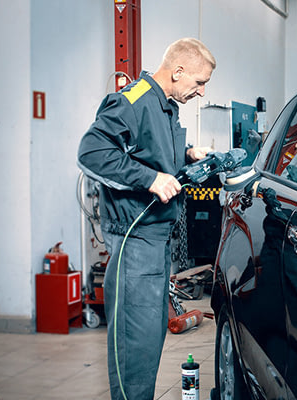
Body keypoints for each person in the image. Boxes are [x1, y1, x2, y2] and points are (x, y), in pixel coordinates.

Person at [77, 38, 216, 399]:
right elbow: (92, 152)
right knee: (134, 345)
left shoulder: (165, 106)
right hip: (134, 242)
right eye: (199, 82)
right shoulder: (134, 100)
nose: (201, 92)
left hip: (155, 241)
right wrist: (150, 179)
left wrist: (188, 155)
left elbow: (148, 153)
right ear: (178, 71)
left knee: (149, 340)